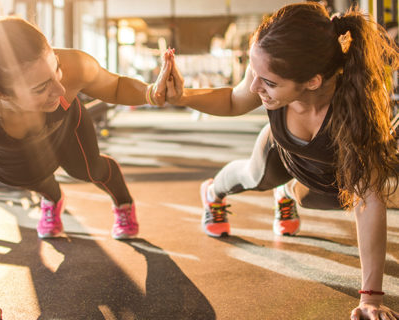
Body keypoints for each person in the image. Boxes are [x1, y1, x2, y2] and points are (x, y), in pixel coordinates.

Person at [163, 3, 399, 320]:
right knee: (253, 175)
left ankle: (287, 194)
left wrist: (370, 298)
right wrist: (181, 97)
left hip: (330, 174)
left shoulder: (355, 111)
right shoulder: (267, 74)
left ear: (313, 82)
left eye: (269, 83)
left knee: (325, 200)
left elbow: (368, 199)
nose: (255, 87)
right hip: (281, 152)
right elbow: (234, 100)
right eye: (253, 73)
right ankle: (213, 192)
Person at [0, 17, 172, 320]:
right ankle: (53, 198)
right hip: (11, 157)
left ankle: (123, 201)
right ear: (3, 94)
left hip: (65, 131)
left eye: (56, 68)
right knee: (28, 178)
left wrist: (153, 93)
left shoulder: (72, 68)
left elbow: (115, 85)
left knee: (89, 169)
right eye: (41, 86)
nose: (60, 87)